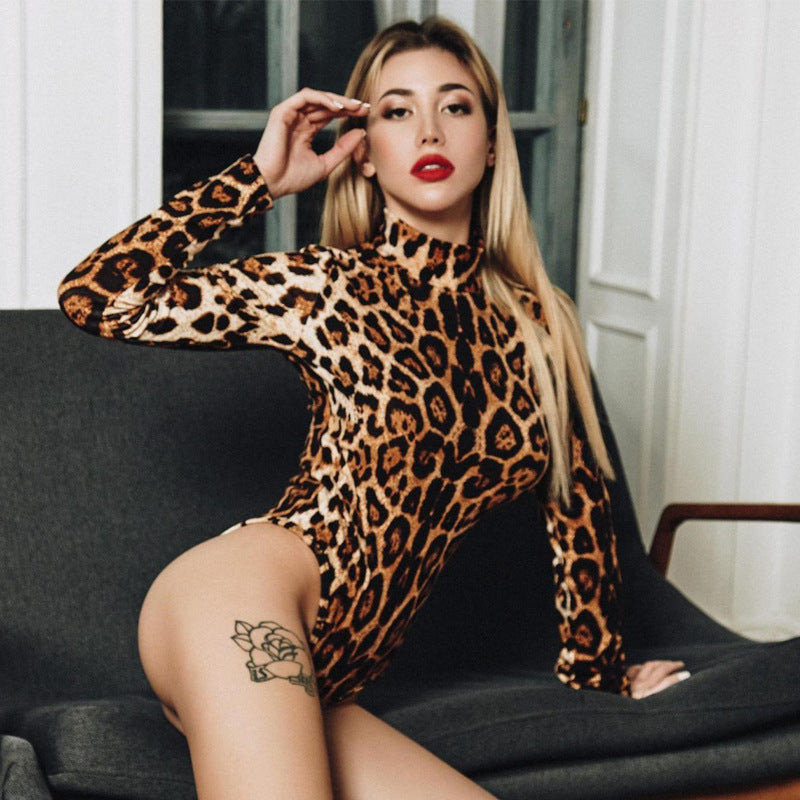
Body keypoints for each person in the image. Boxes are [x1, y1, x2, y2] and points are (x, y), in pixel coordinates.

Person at [58, 17, 689, 800]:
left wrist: (603, 680)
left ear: (493, 142)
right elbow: (99, 298)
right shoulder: (328, 287)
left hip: (329, 689)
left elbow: (579, 516)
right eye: (396, 110)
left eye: (455, 106)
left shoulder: (539, 328)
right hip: (238, 598)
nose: (428, 130)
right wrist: (258, 180)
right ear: (363, 150)